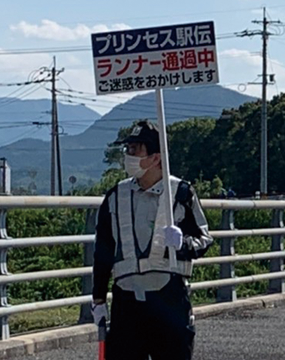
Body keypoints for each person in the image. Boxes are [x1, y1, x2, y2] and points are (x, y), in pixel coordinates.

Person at [90, 120, 214, 360]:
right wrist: (98, 298)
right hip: (126, 301)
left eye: (135, 150)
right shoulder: (116, 196)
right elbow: (103, 251)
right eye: (128, 150)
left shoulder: (180, 193)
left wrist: (183, 244)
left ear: (156, 158)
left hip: (169, 298)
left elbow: (205, 239)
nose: (129, 156)